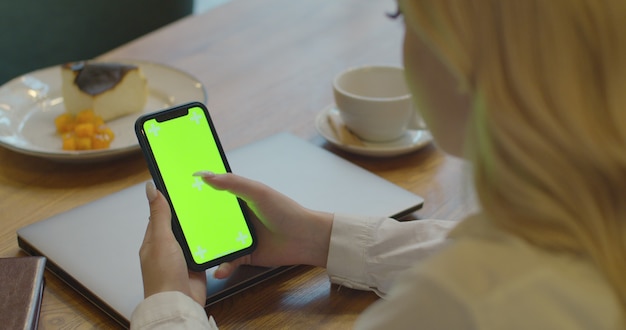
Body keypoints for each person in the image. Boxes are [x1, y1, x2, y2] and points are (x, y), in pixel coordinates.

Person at [131, 0, 626, 328]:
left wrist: (170, 307)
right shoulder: (590, 227)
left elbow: (480, 283)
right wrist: (317, 236)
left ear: (470, 59)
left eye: (404, 18)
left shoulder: (462, 303)